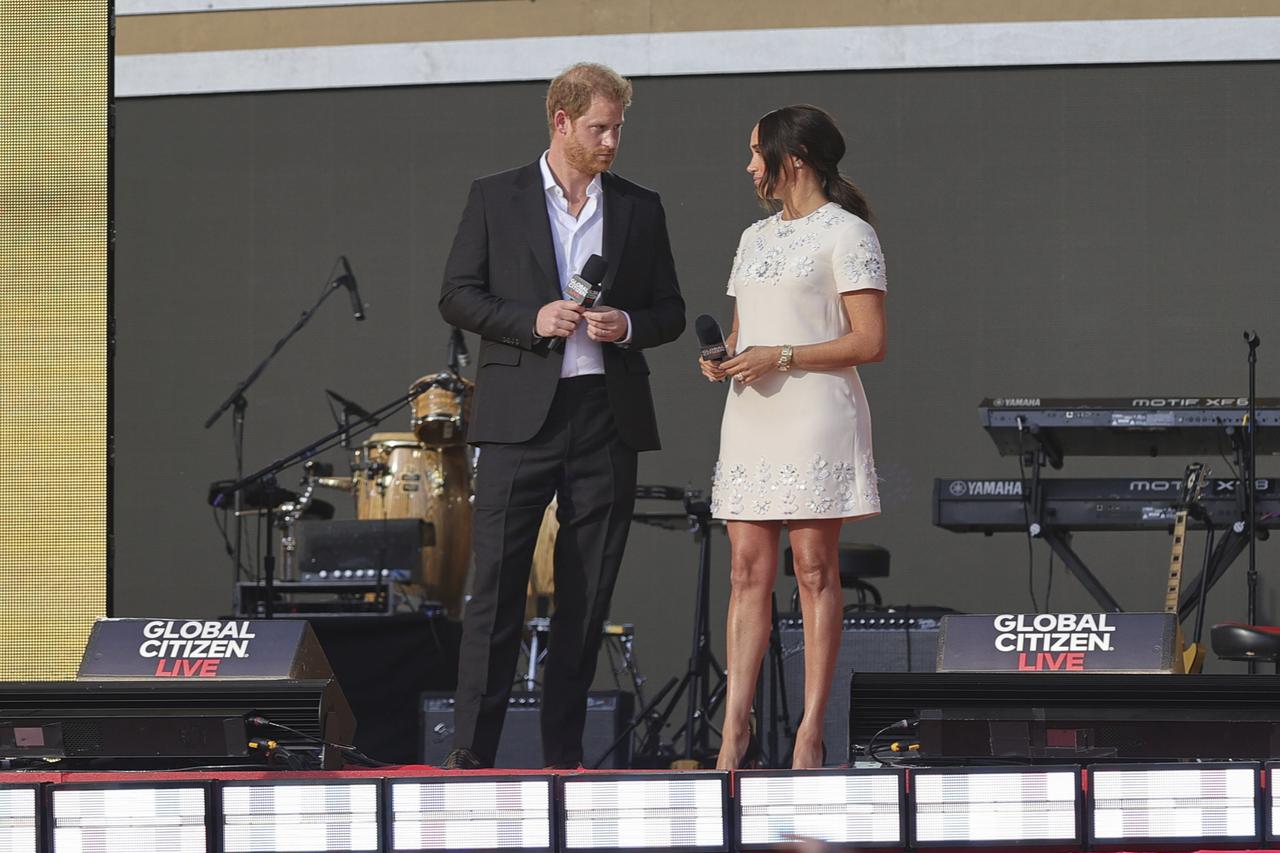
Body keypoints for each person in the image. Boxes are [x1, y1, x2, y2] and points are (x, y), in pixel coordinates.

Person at [438, 62, 685, 770]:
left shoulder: (640, 205)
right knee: (496, 589)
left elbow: (669, 309)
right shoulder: (496, 197)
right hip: (519, 418)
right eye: (599, 127)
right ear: (562, 121)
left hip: (607, 415)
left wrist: (628, 323)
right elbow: (457, 295)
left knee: (586, 594)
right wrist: (530, 318)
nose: (611, 140)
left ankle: (563, 757)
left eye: (618, 128)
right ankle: (471, 753)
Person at [699, 104, 887, 770]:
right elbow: (744, 326)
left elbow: (869, 341)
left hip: (815, 415)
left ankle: (810, 732)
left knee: (813, 570)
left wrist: (780, 355)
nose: (750, 166)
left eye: (758, 152)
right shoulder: (754, 238)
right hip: (751, 414)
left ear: (796, 156)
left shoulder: (849, 234)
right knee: (746, 571)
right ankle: (734, 735)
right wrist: (722, 354)